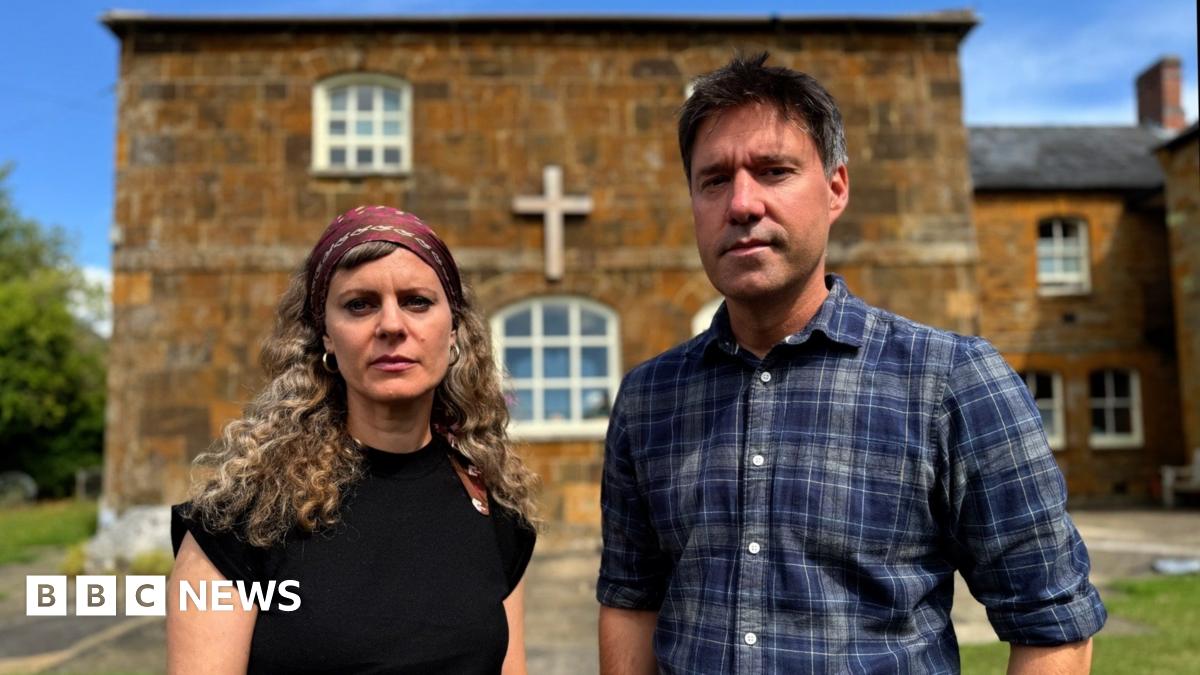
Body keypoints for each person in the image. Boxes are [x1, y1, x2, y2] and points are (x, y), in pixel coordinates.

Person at [596, 53, 1106, 674]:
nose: (742, 204)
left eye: (774, 171)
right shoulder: (649, 398)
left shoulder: (952, 381)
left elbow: (1052, 624)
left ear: (836, 188)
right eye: (714, 180)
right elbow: (631, 599)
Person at [168, 205, 539, 674]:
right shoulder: (242, 519)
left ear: (455, 331)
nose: (391, 325)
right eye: (359, 304)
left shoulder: (491, 507)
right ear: (325, 334)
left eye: (417, 302)